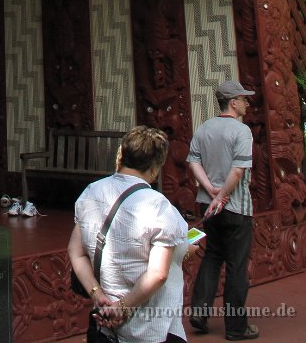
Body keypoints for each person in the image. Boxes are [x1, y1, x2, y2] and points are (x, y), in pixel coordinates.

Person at [69, 126, 193, 343]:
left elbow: (76, 251)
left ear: (122, 155)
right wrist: (123, 308)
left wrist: (97, 295)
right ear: (155, 168)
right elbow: (158, 274)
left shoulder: (91, 192)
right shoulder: (159, 207)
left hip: (104, 319)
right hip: (150, 326)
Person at [187, 80, 258, 341]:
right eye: (244, 99)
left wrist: (211, 191)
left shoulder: (204, 128)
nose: (247, 103)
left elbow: (193, 162)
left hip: (209, 206)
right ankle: (236, 328)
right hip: (236, 207)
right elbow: (238, 171)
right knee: (237, 265)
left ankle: (199, 312)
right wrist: (224, 195)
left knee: (213, 255)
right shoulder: (241, 131)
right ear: (233, 102)